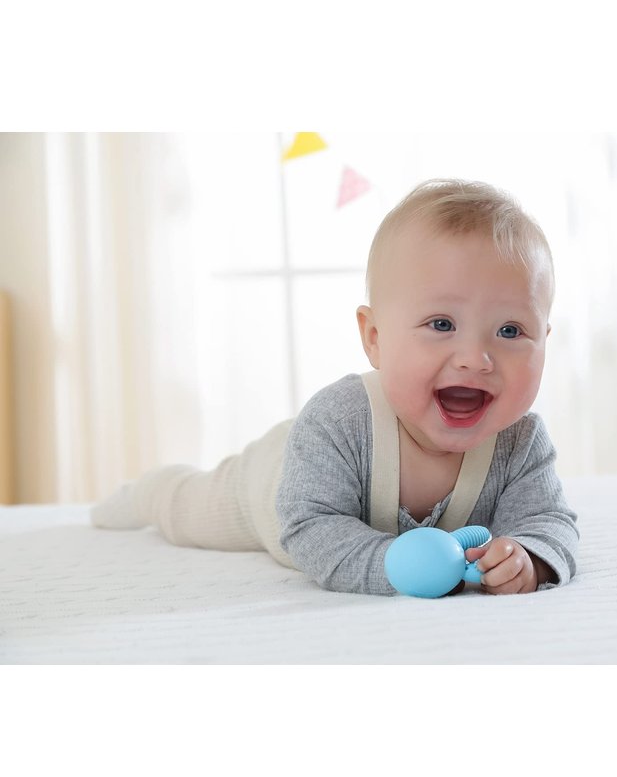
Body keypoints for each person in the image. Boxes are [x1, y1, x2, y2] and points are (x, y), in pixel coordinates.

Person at [92, 178, 579, 596]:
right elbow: (311, 527)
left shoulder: (520, 443)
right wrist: (397, 567)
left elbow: (548, 520)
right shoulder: (340, 421)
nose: (475, 358)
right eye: (441, 324)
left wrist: (529, 558)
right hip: (273, 484)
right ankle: (148, 493)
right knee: (190, 509)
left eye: (510, 330)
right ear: (375, 338)